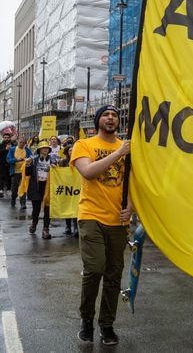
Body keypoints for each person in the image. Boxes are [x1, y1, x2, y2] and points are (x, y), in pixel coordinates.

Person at [71, 105, 131, 345]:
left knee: (114, 274)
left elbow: (133, 182)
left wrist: (131, 208)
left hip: (117, 219)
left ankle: (107, 325)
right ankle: (87, 320)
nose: (110, 118)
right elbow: (87, 171)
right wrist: (118, 153)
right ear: (98, 121)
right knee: (95, 268)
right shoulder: (83, 145)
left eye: (114, 115)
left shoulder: (128, 147)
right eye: (106, 115)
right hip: (91, 215)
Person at [25, 140, 57, 239]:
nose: (45, 150)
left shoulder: (53, 159)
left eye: (47, 148)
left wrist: (55, 167)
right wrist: (28, 164)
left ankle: (46, 229)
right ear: (39, 150)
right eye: (43, 148)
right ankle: (34, 223)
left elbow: (58, 173)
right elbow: (27, 173)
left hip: (48, 186)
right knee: (36, 209)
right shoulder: (33, 159)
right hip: (36, 186)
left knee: (47, 209)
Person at [58, 145, 78, 237]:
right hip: (66, 187)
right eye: (70, 150)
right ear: (67, 152)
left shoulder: (78, 161)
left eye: (73, 150)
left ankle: (76, 227)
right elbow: (60, 173)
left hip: (75, 187)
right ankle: (68, 226)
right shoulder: (62, 162)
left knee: (75, 207)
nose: (71, 152)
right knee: (67, 207)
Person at [7, 137, 32, 209]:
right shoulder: (12, 149)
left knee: (23, 187)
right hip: (15, 172)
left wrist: (28, 160)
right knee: (14, 188)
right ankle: (13, 199)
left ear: (25, 143)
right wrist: (16, 160)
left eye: (23, 142)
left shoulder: (27, 150)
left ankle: (23, 203)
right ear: (18, 142)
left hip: (24, 172)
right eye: (20, 142)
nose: (22, 144)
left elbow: (31, 157)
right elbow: (8, 159)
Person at [0, 132, 13, 198]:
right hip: (2, 163)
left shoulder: (12, 144)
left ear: (10, 138)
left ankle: (8, 189)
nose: (6, 139)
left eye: (8, 138)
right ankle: (1, 189)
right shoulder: (1, 144)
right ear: (3, 138)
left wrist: (11, 149)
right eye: (5, 138)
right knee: (1, 176)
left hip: (10, 163)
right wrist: (5, 149)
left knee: (9, 176)